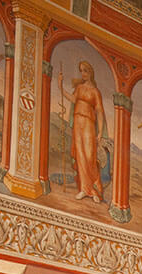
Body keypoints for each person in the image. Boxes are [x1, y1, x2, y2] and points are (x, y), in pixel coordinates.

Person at [60, 61, 108, 202]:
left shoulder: (95, 92)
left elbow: (99, 111)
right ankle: (84, 189)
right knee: (80, 155)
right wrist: (60, 86)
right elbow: (73, 99)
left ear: (90, 72)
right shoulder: (79, 88)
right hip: (78, 122)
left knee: (89, 155)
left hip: (88, 123)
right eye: (81, 71)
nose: (83, 73)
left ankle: (95, 189)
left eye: (85, 71)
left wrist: (100, 132)